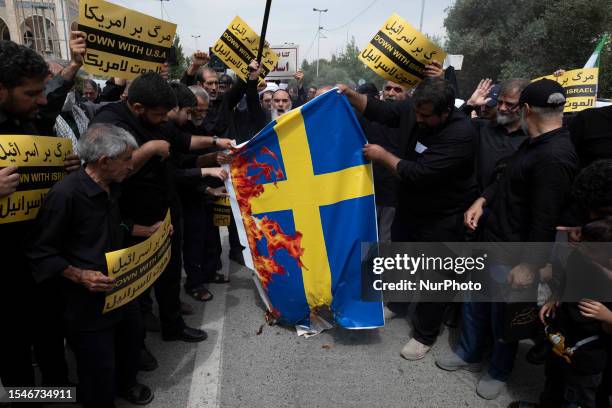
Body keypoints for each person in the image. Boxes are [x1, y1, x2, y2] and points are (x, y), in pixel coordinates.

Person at [438, 79, 579, 400]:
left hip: (515, 255)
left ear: (526, 110)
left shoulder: (555, 156)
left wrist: (530, 264)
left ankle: (499, 371)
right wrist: (483, 200)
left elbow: (546, 218)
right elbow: (506, 179)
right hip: (491, 240)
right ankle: (468, 351)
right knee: (475, 304)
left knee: (506, 316)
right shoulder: (535, 142)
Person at [339, 76, 478, 360]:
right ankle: (399, 304)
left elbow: (419, 174)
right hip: (410, 208)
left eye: (425, 116)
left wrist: (382, 155)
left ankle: (425, 334)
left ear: (445, 112)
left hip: (442, 217)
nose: (417, 119)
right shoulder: (414, 109)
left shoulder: (461, 134)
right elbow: (379, 110)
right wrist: (349, 94)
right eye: (415, 111)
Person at [90, 72, 232, 345]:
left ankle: (173, 324)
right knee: (135, 286)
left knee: (169, 271)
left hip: (166, 209)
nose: (164, 120)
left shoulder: (159, 119)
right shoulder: (109, 121)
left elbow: (184, 142)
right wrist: (151, 148)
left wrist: (216, 142)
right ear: (137, 108)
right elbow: (110, 168)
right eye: (159, 115)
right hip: (131, 217)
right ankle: (136, 345)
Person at [27, 124, 154, 407]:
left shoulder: (113, 187)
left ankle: (127, 385)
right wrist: (80, 275)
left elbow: (115, 225)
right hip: (85, 301)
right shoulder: (65, 195)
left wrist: (146, 231)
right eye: (127, 160)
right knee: (98, 368)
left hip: (121, 288)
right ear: (104, 162)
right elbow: (41, 252)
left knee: (131, 340)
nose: (131, 167)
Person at [0, 37, 82, 391]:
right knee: (14, 356)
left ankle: (57, 393)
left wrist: (58, 169)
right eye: (31, 93)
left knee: (52, 341)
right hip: (4, 280)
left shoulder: (27, 120)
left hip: (42, 262)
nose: (42, 100)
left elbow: (48, 113)